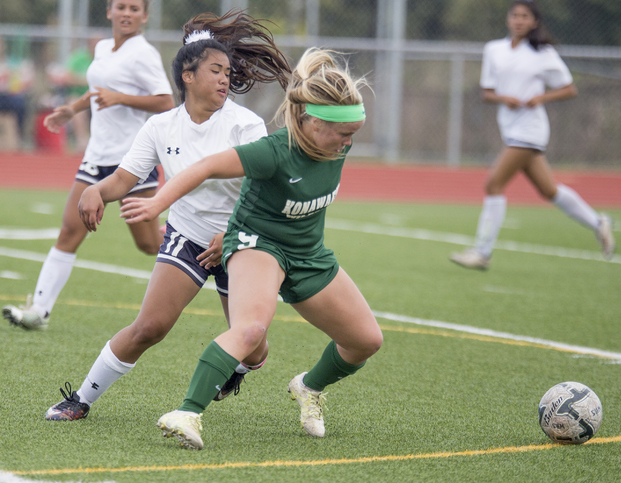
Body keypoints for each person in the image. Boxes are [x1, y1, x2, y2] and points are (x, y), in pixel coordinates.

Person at [119, 47, 383, 450]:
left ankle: (308, 388)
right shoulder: (273, 151)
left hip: (309, 253)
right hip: (256, 244)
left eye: (354, 133)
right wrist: (157, 203)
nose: (349, 142)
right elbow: (204, 167)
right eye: (344, 133)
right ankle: (187, 412)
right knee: (251, 329)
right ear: (311, 122)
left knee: (366, 340)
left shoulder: (336, 144)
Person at [43, 11, 291, 422]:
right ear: (187, 76)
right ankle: (81, 399)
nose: (226, 79)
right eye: (216, 70)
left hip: (243, 241)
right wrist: (95, 190)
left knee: (254, 345)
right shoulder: (161, 126)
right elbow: (124, 178)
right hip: (188, 236)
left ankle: (239, 366)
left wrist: (231, 233)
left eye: (228, 71)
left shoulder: (246, 125)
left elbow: (262, 190)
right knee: (148, 328)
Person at [2, 0, 175, 329]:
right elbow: (98, 90)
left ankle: (188, 240)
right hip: (96, 157)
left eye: (135, 8)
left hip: (132, 160)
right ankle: (39, 312)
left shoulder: (144, 53)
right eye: (121, 7)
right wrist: (73, 108)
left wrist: (122, 98)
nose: (127, 13)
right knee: (69, 230)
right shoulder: (103, 49)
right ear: (109, 11)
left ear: (145, 16)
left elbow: (166, 102)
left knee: (149, 244)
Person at [449, 0, 615, 270]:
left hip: (531, 130)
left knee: (493, 184)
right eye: (515, 15)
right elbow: (487, 93)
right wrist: (506, 99)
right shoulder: (494, 49)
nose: (519, 20)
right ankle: (598, 222)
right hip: (510, 128)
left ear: (534, 22)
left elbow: (569, 88)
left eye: (525, 16)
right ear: (508, 19)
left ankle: (482, 252)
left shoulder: (543, 53)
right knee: (549, 190)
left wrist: (540, 97)